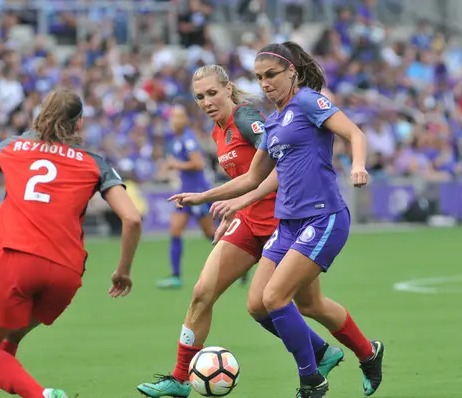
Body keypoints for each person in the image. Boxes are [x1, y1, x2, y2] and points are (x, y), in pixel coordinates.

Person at [170, 43, 384, 398]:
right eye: (259, 77)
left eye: (271, 75)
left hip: (322, 217)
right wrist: (207, 197)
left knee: (276, 297)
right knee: (260, 304)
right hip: (288, 224)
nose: (265, 83)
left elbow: (355, 134)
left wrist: (359, 165)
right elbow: (254, 178)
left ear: (292, 73)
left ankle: (311, 379)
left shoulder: (308, 102)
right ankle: (366, 352)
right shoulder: (273, 121)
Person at [137, 65, 349, 398]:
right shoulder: (216, 132)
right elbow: (245, 176)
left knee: (308, 305)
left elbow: (277, 153)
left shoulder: (246, 117)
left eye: (211, 93)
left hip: (284, 221)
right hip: (249, 222)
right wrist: (231, 210)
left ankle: (339, 353)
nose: (206, 102)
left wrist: (216, 197)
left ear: (227, 89)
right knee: (202, 292)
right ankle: (179, 379)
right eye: (199, 97)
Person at [0, 89, 142, 398]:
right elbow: (132, 219)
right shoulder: (95, 163)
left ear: (41, 113)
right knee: (4, 345)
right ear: (78, 124)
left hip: (16, 261)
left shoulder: (15, 145)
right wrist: (123, 271)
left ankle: (42, 396)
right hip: (65, 274)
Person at [156, 105, 215, 289]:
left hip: (197, 192)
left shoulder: (189, 139)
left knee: (210, 233)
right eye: (172, 116)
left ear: (185, 119)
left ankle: (239, 260)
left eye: (179, 116)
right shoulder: (177, 139)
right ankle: (175, 276)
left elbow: (197, 164)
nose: (174, 120)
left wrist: (175, 165)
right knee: (175, 230)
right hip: (185, 192)